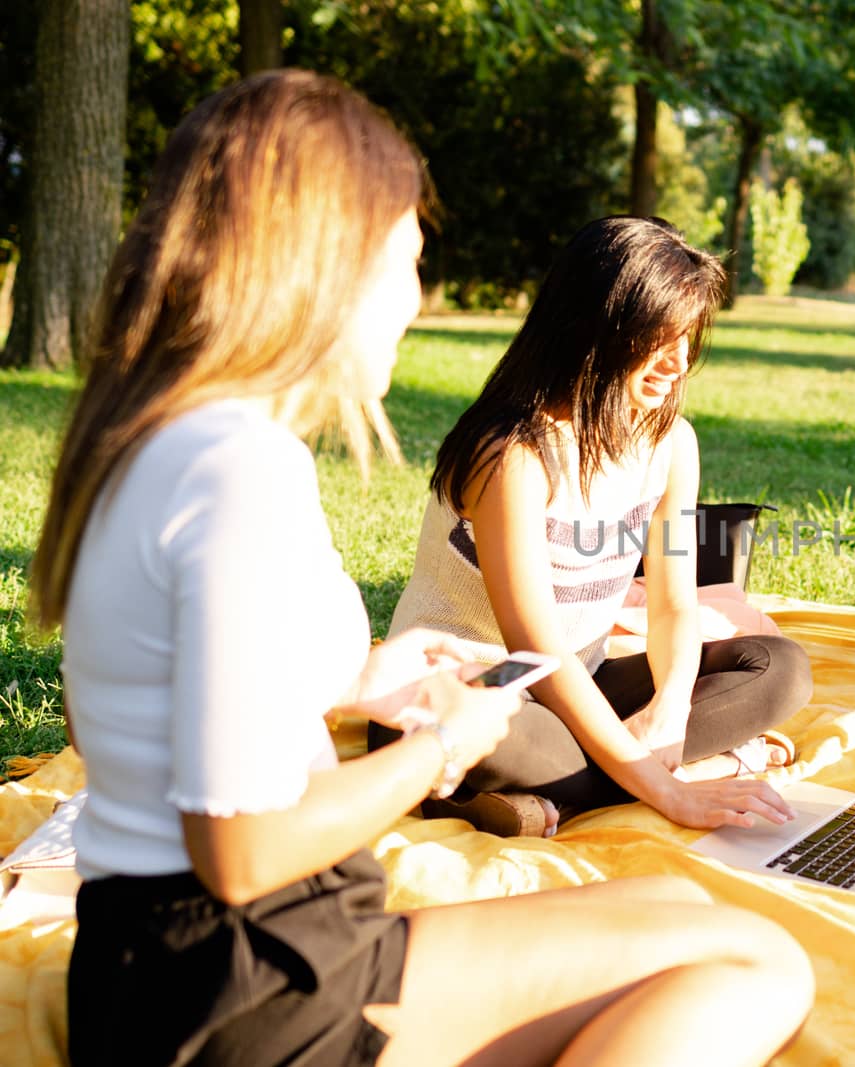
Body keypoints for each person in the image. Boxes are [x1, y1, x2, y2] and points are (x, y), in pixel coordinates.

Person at [31, 70, 812, 1066]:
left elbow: (178, 680)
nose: (413, 297)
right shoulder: (239, 470)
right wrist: (440, 745)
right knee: (760, 961)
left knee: (673, 900)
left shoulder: (160, 440)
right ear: (325, 264)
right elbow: (243, 851)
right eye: (406, 259)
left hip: (175, 962)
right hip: (248, 985)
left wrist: (368, 678)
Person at [373, 215, 815, 838]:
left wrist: (667, 713)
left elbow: (671, 607)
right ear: (593, 330)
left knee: (780, 669)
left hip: (583, 680)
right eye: (657, 340)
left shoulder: (672, 445)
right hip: (477, 688)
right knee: (489, 731)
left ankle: (547, 800)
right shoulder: (512, 454)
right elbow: (537, 651)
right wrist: (668, 792)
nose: (678, 363)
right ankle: (633, 778)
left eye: (687, 339)